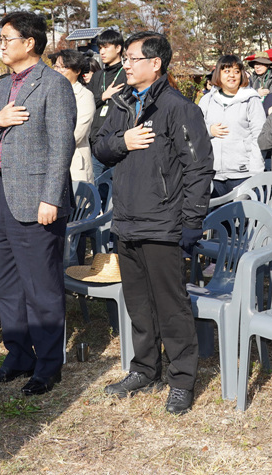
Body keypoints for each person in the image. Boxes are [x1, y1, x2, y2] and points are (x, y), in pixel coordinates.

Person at [92, 30, 215, 415]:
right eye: (125, 58)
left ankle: (181, 380)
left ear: (155, 63)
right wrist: (122, 142)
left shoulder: (179, 108)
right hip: (125, 218)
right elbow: (100, 146)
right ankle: (145, 368)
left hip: (163, 222)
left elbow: (199, 168)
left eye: (132, 58)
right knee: (139, 304)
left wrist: (191, 222)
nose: (125, 64)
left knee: (171, 306)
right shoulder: (121, 103)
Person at [0, 11, 76, 397]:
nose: (1, 44)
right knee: (9, 283)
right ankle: (18, 355)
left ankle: (49, 365)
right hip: (0, 198)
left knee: (42, 286)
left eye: (6, 38)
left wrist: (51, 196)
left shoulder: (54, 85)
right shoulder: (2, 86)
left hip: (37, 200)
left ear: (29, 42)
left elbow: (61, 146)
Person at [199, 54, 266, 199]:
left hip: (242, 173)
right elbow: (195, 129)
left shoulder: (251, 99)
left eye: (236, 71)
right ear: (218, 73)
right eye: (227, 71)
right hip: (213, 174)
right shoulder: (207, 100)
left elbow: (259, 135)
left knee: (243, 220)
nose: (232, 75)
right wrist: (209, 131)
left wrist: (255, 172)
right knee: (216, 220)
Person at [50, 48, 96, 186]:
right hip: (51, 163)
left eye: (63, 67)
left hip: (74, 163)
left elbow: (76, 135)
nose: (58, 71)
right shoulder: (51, 93)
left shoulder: (85, 96)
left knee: (78, 205)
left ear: (77, 71)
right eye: (56, 66)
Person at [88, 29, 128, 180]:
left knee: (117, 189)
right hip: (96, 144)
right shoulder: (98, 76)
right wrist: (103, 96)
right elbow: (87, 102)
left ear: (118, 48)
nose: (102, 52)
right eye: (100, 48)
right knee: (96, 189)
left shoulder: (127, 73)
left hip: (118, 143)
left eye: (106, 47)